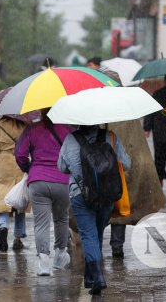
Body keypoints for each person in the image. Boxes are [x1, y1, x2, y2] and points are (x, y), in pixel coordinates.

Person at [58, 125, 131, 295]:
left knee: (89, 235)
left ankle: (96, 276)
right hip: (106, 195)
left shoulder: (71, 139)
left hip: (80, 194)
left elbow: (61, 167)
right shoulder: (110, 137)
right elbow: (126, 164)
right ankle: (91, 276)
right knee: (96, 234)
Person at [15, 109, 73, 276]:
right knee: (61, 218)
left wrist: (30, 170)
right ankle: (60, 255)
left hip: (38, 181)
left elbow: (19, 155)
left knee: (41, 222)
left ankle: (44, 263)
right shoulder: (68, 129)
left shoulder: (31, 129)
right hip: (62, 181)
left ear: (41, 111)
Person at [107, 119, 164, 258]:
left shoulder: (93, 110)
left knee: (101, 211)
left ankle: (100, 248)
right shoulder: (128, 115)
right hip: (121, 169)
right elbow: (134, 148)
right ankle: (117, 245)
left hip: (101, 171)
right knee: (120, 207)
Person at [0, 116, 29, 252]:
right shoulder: (25, 126)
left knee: (2, 198)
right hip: (20, 162)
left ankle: (3, 226)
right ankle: (18, 237)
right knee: (20, 199)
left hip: (4, 163)